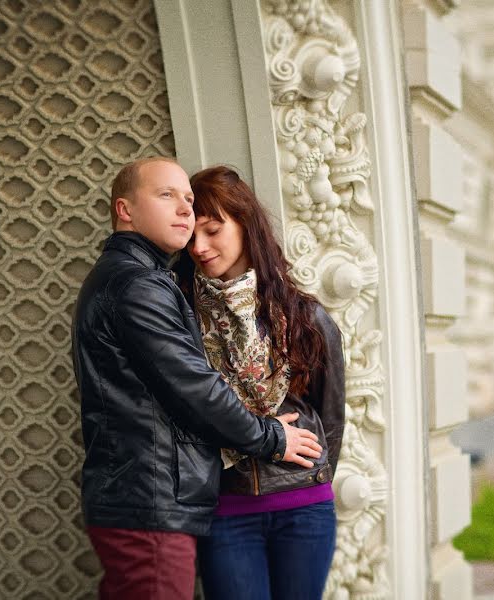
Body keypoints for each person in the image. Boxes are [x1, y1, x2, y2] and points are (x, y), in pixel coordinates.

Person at [71, 156, 323, 600]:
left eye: (188, 198)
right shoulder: (138, 285)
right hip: (150, 502)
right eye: (167, 195)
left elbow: (330, 409)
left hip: (150, 500)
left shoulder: (143, 279)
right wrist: (272, 438)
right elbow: (196, 390)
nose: (186, 209)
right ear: (124, 210)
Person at [174, 165, 346, 600]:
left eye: (213, 230)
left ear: (245, 226)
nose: (199, 247)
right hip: (224, 509)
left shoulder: (307, 318)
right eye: (193, 235)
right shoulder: (180, 318)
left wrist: (316, 479)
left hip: (303, 509)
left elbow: (330, 416)